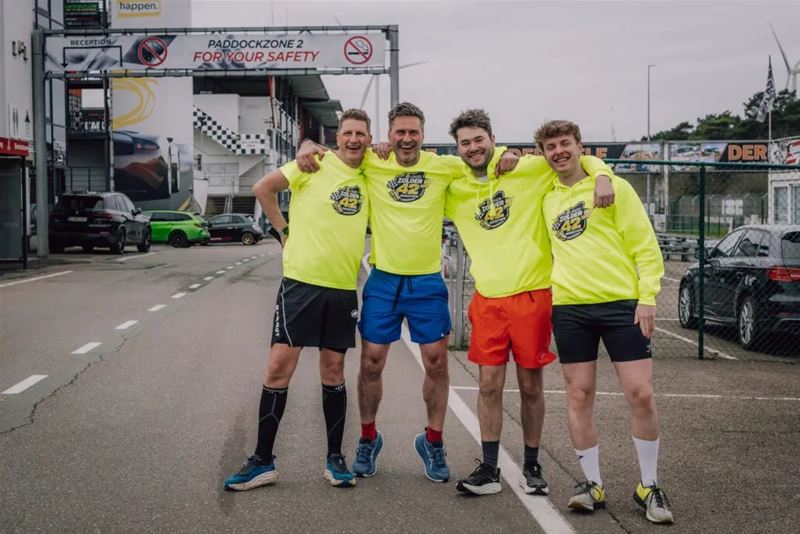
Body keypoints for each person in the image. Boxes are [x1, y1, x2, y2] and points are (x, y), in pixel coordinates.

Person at [296, 102, 518, 483]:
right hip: (384, 279)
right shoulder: (371, 160)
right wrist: (304, 144)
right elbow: (334, 153)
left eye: (413, 131)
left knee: (436, 361)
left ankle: (433, 441)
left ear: (423, 134)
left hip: (427, 282)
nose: (406, 138)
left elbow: (485, 157)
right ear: (389, 134)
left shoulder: (443, 165)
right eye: (399, 131)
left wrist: (511, 153)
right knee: (372, 362)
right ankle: (368, 438)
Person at [444, 110, 614, 496]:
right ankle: (488, 468)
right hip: (487, 299)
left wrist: (602, 174)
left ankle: (533, 465)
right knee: (488, 385)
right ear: (457, 148)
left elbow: (577, 157)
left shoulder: (528, 169)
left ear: (492, 138)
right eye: (465, 143)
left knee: (530, 385)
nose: (473, 148)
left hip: (532, 296)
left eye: (478, 140)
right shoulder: (454, 186)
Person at [223, 109, 372, 491]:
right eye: (348, 133)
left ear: (368, 139)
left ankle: (335, 459)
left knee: (333, 372)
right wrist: (284, 233)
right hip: (301, 283)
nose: (354, 139)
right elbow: (262, 188)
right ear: (337, 137)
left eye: (361, 133)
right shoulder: (314, 163)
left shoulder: (373, 169)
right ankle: (262, 461)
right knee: (278, 369)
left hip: (341, 288)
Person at [538, 120, 673, 523]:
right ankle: (591, 484)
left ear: (580, 146)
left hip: (621, 305)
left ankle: (648, 486)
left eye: (565, 143)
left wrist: (647, 296)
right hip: (570, 309)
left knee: (641, 393)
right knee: (578, 395)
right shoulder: (545, 196)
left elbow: (644, 245)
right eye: (550, 146)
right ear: (543, 154)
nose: (559, 151)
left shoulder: (614, 188)